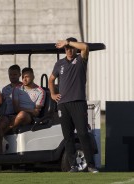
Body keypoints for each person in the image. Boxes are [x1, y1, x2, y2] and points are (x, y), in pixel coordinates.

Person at [48, 37, 98, 173]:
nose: (69, 50)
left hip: (78, 102)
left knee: (82, 134)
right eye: (66, 48)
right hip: (63, 105)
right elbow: (51, 80)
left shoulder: (81, 59)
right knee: (68, 136)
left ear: (75, 48)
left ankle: (91, 165)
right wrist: (53, 94)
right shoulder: (59, 64)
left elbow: (85, 47)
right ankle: (73, 166)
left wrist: (68, 42)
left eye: (70, 47)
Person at [0, 67, 46, 154]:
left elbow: (37, 112)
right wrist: (31, 110)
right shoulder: (17, 89)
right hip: (16, 114)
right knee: (2, 122)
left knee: (22, 114)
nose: (24, 79)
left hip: (29, 117)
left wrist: (30, 111)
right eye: (23, 77)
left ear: (33, 76)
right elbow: (16, 108)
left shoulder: (40, 91)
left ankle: (4, 132)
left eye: (27, 77)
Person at [0, 64, 22, 154]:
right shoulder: (5, 89)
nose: (12, 77)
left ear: (19, 75)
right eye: (10, 75)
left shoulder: (23, 88)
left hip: (18, 114)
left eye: (15, 74)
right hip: (7, 115)